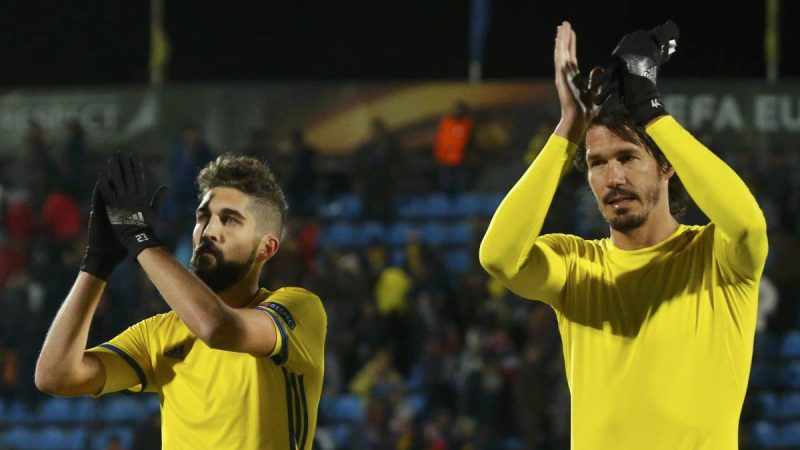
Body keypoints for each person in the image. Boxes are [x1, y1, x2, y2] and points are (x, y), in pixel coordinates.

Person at [479, 21, 767, 449]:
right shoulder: (576, 265)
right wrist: (569, 129)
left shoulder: (716, 257)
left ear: (667, 166)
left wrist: (653, 114)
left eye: (628, 157)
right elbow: (499, 256)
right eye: (597, 163)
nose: (612, 177)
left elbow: (748, 224)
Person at [35, 152, 327, 449]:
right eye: (203, 217)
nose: (209, 231)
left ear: (267, 247)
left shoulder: (300, 308)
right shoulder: (158, 333)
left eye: (229, 220)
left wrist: (139, 237)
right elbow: (55, 376)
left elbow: (217, 327)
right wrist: (98, 262)